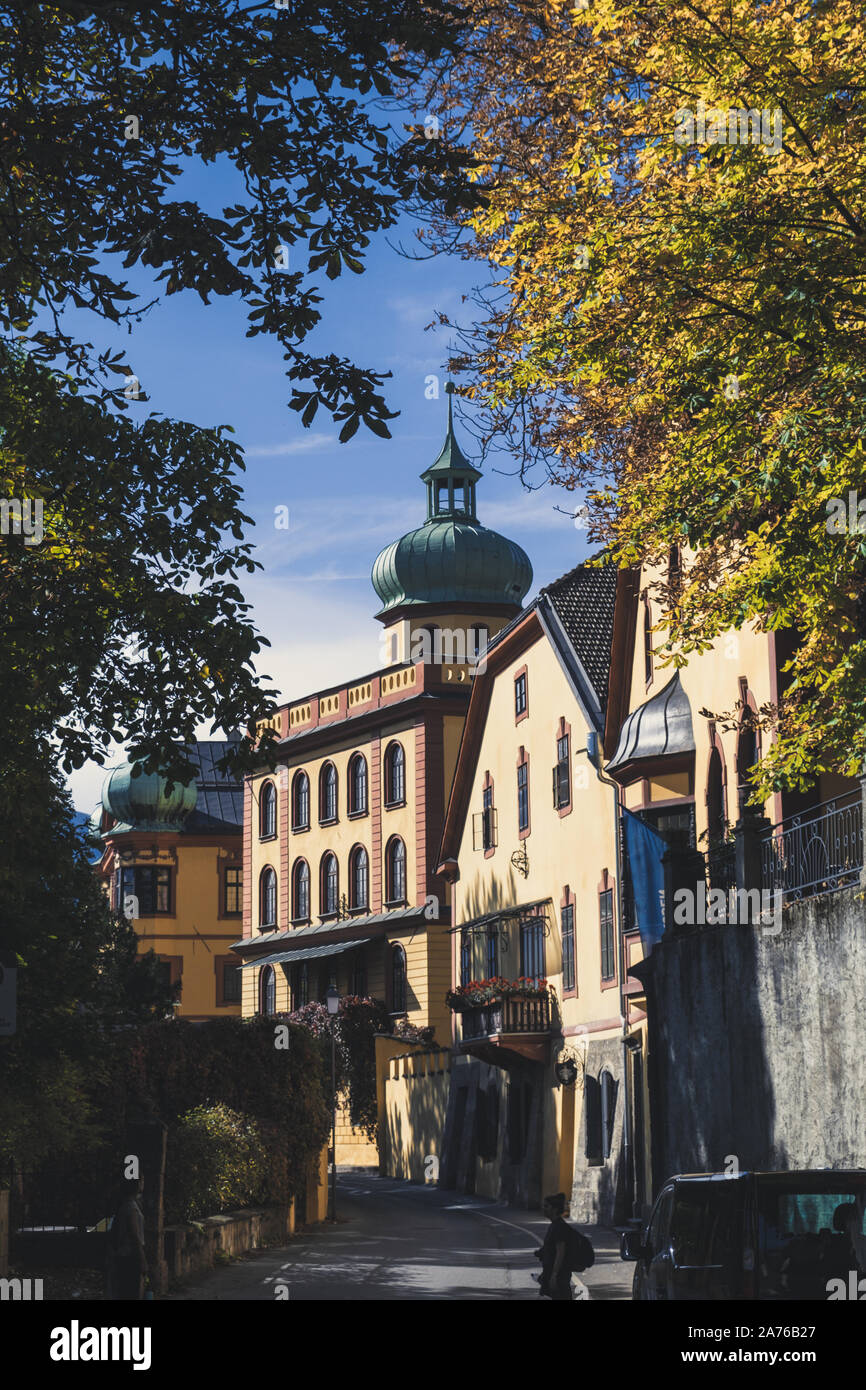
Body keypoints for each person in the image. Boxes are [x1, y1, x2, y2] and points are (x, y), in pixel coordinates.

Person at [535, 1192, 589, 1301]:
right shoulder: (555, 1225)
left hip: (560, 1276)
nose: (543, 1208)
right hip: (555, 1274)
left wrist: (554, 1276)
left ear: (554, 1209)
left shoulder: (559, 1227)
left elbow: (560, 1252)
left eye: (546, 1206)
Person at [107, 1175, 149, 1300]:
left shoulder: (125, 1205)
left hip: (123, 1255)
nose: (143, 1184)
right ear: (136, 1185)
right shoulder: (131, 1208)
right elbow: (134, 1236)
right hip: (130, 1257)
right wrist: (142, 1259)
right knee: (130, 1293)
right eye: (141, 1181)